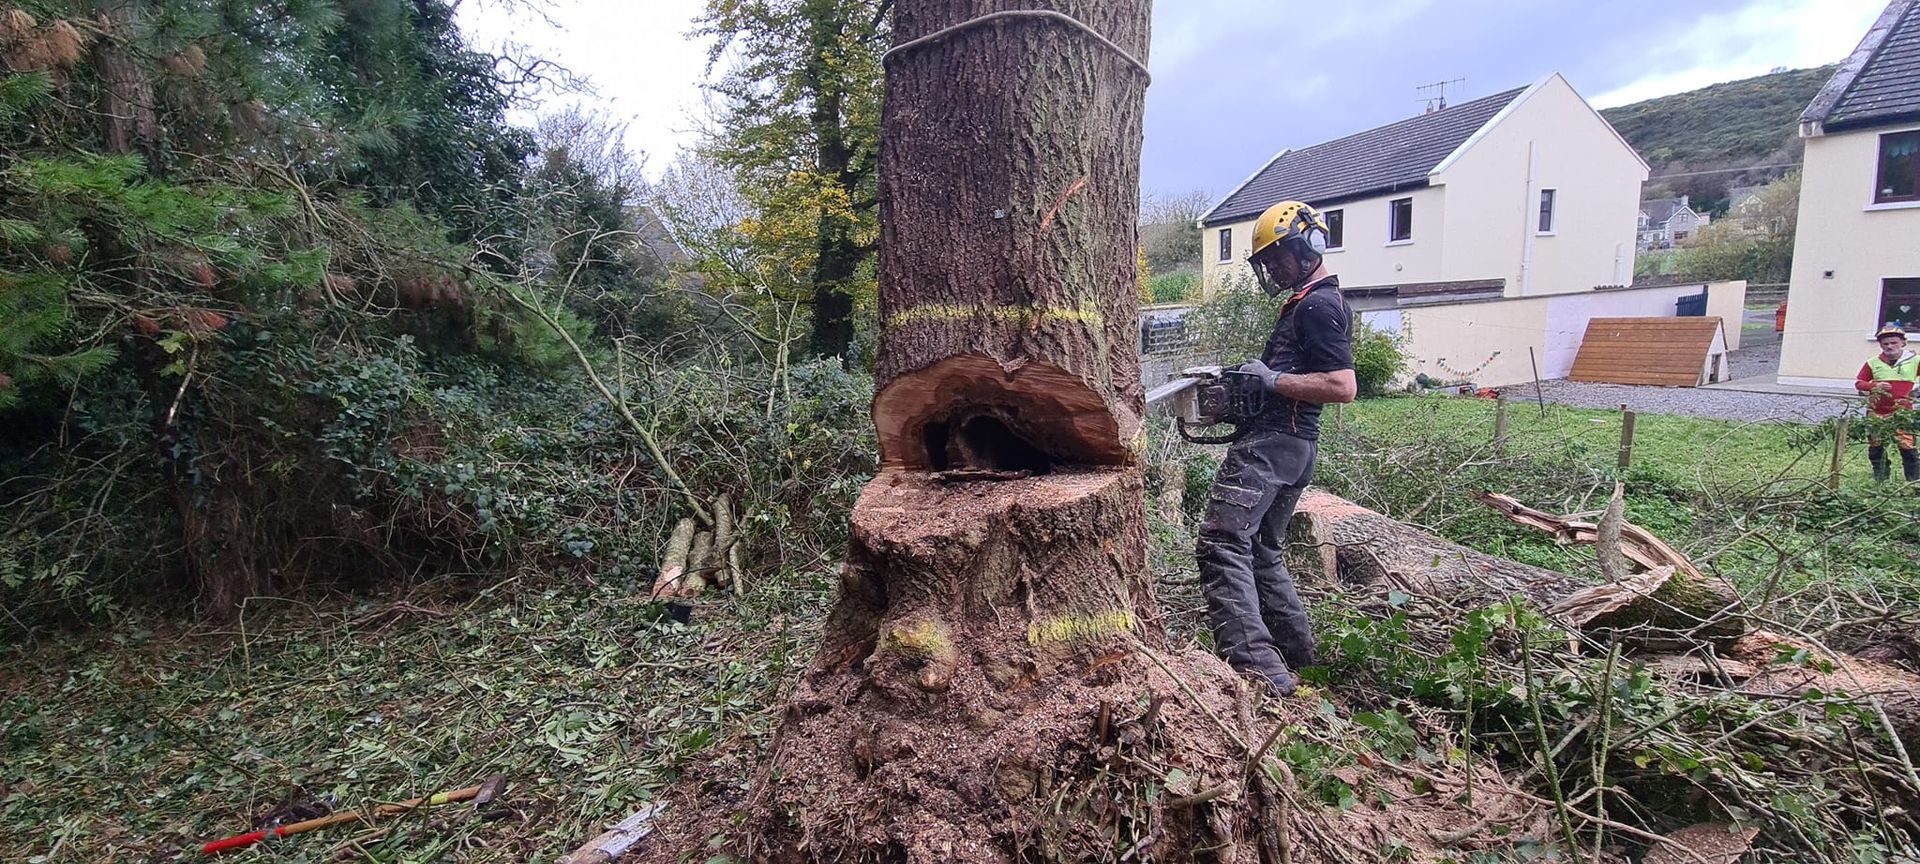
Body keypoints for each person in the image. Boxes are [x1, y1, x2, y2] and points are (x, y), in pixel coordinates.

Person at [1195, 201, 1357, 696]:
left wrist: (1272, 379)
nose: (1272, 268)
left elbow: (1341, 385)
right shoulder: (1311, 301)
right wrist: (1251, 388)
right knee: (1263, 551)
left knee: (1222, 545)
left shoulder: (1317, 306)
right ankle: (1299, 661)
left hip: (1272, 449)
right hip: (1292, 446)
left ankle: (1259, 673)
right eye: (1266, 261)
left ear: (1308, 243)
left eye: (1277, 257)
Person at [1855, 324, 1919, 483]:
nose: (1889, 346)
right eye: (1886, 344)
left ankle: (1913, 483)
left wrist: (1916, 391)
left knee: (1908, 449)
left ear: (1903, 343)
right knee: (1876, 448)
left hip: (1903, 413)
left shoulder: (1915, 360)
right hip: (1876, 413)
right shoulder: (1872, 362)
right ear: (1881, 345)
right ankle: (1881, 481)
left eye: (1893, 343)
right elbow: (1859, 383)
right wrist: (1873, 386)